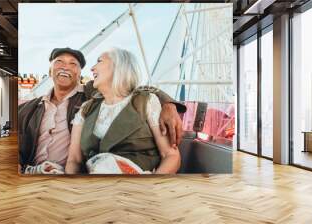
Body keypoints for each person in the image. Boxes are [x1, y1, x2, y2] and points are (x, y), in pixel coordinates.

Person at [18, 47, 186, 174]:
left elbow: (139, 90)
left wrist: (169, 104)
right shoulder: (26, 109)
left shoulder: (89, 95)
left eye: (73, 64)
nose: (65, 67)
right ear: (50, 70)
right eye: (59, 62)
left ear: (79, 74)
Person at [65, 48, 181, 174]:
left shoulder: (145, 102)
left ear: (119, 66)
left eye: (99, 61)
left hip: (138, 187)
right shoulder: (86, 108)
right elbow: (74, 160)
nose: (92, 68)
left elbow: (171, 155)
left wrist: (151, 187)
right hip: (94, 187)